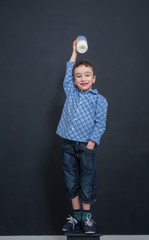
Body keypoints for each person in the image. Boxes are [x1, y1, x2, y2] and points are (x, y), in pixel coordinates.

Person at [56, 39, 108, 234]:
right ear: (74, 80)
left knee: (87, 181)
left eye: (87, 75)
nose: (83, 78)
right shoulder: (72, 92)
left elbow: (100, 124)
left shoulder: (100, 100)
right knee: (71, 181)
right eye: (79, 76)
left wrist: (91, 144)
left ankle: (86, 219)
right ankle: (75, 218)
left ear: (94, 78)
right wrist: (74, 52)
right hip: (68, 144)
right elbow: (68, 73)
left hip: (87, 146)